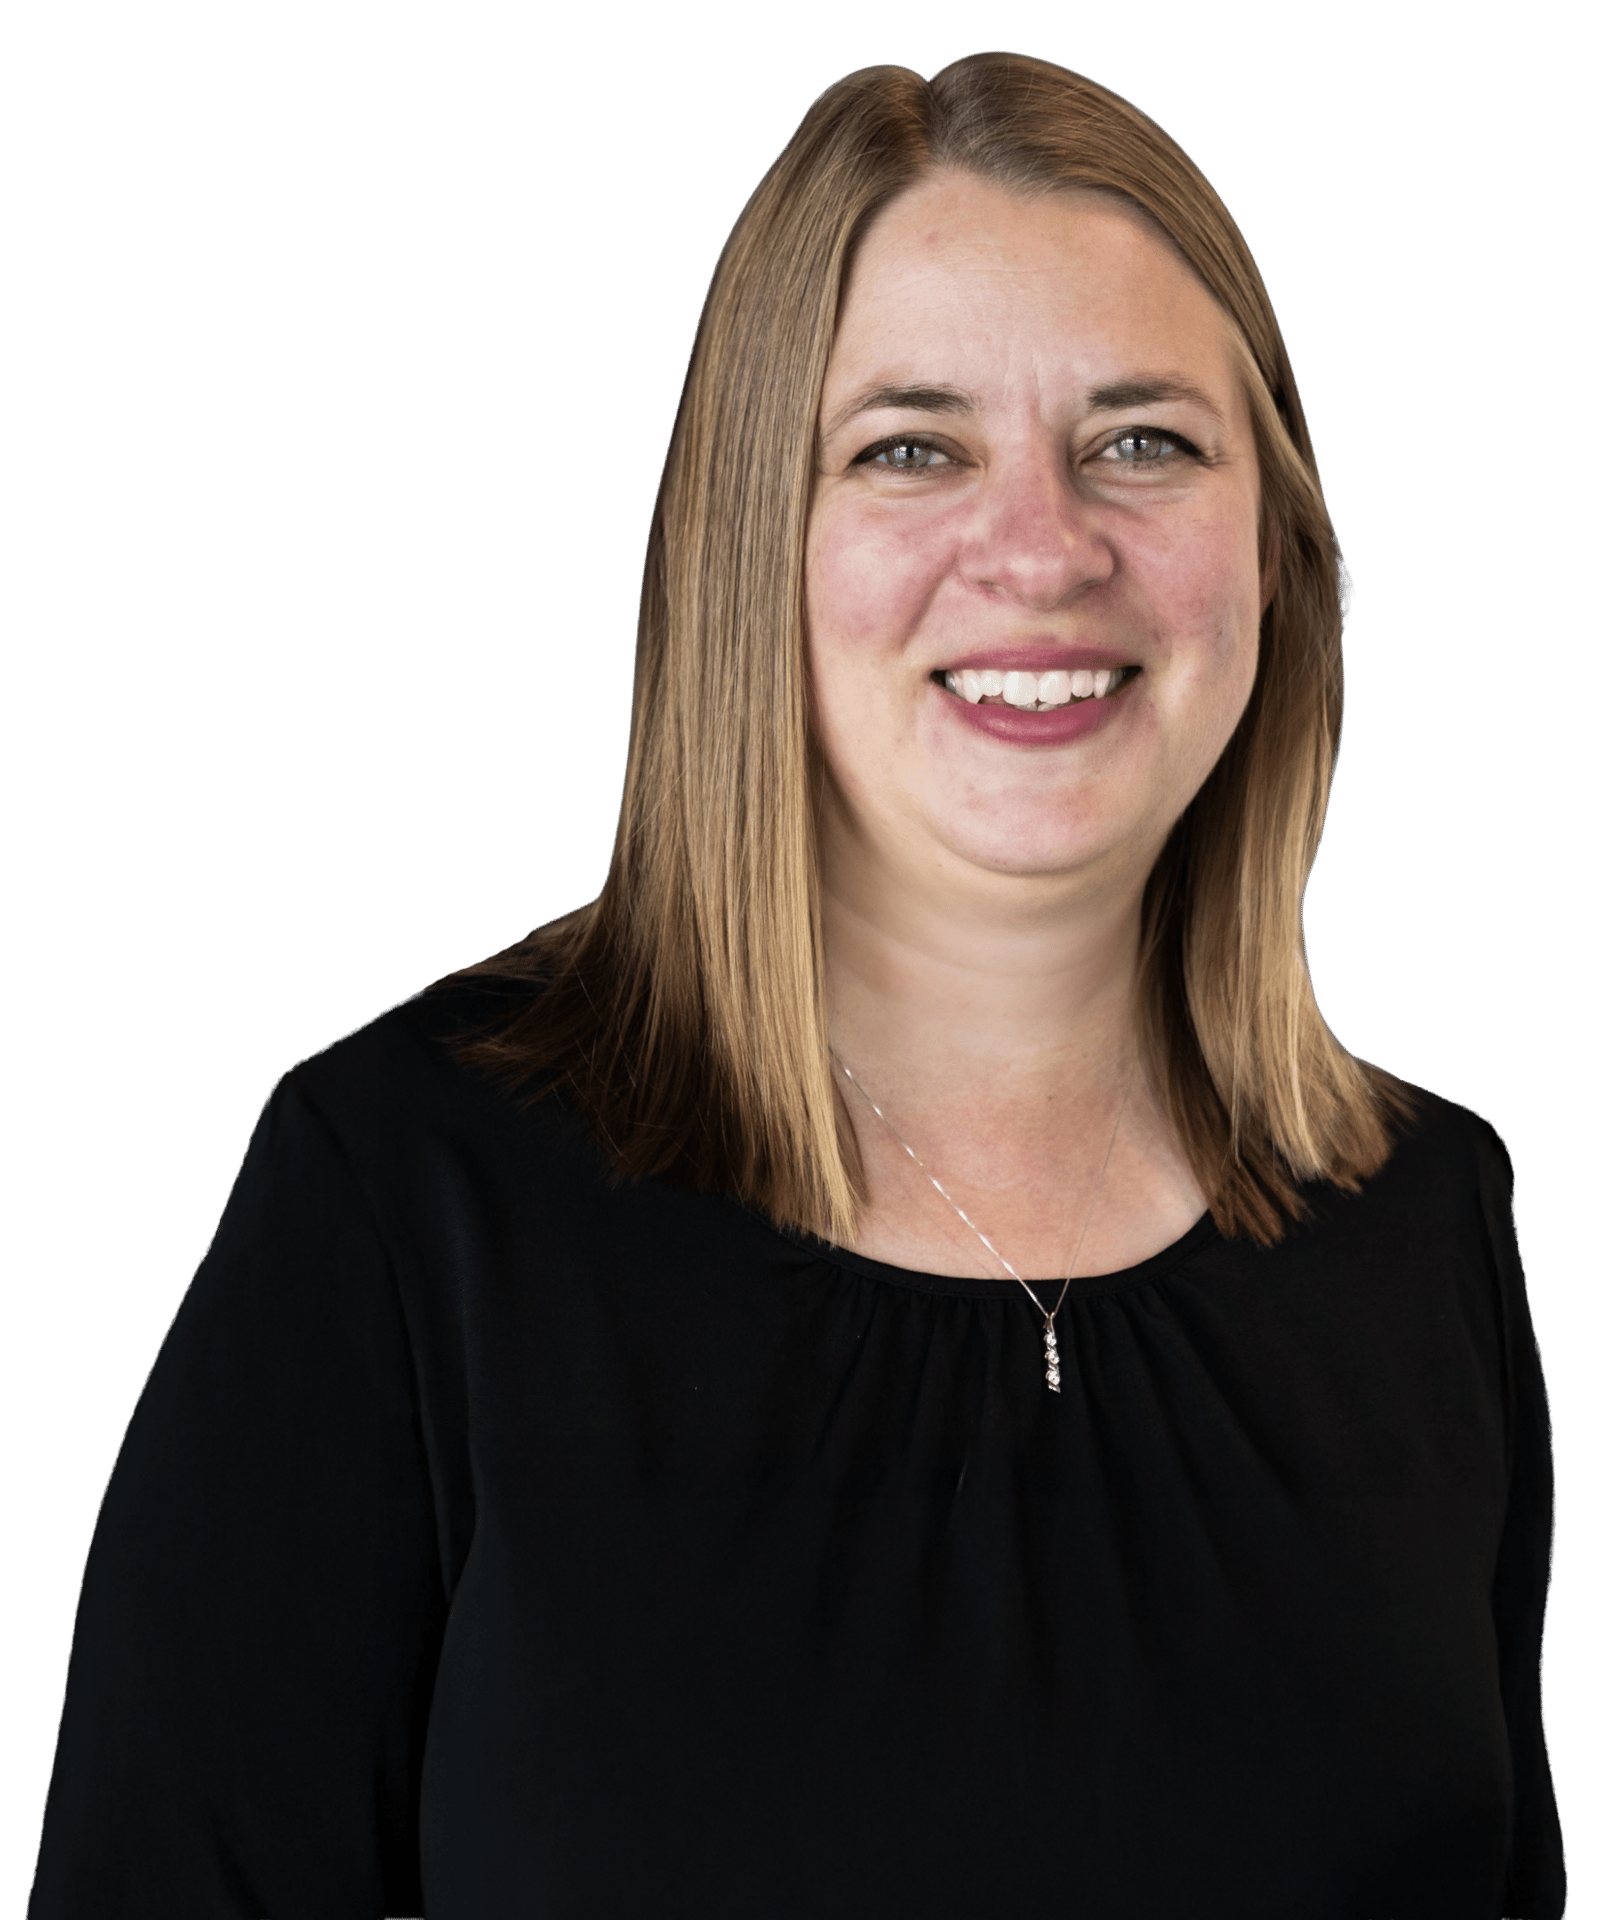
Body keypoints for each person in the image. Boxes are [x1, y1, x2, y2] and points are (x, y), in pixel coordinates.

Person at [26, 51, 1566, 1920]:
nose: (1041, 548)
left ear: (1278, 552)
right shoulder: (401, 1200)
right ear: (749, 546)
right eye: (908, 446)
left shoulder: (1423, 1224)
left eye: (1145, 440)